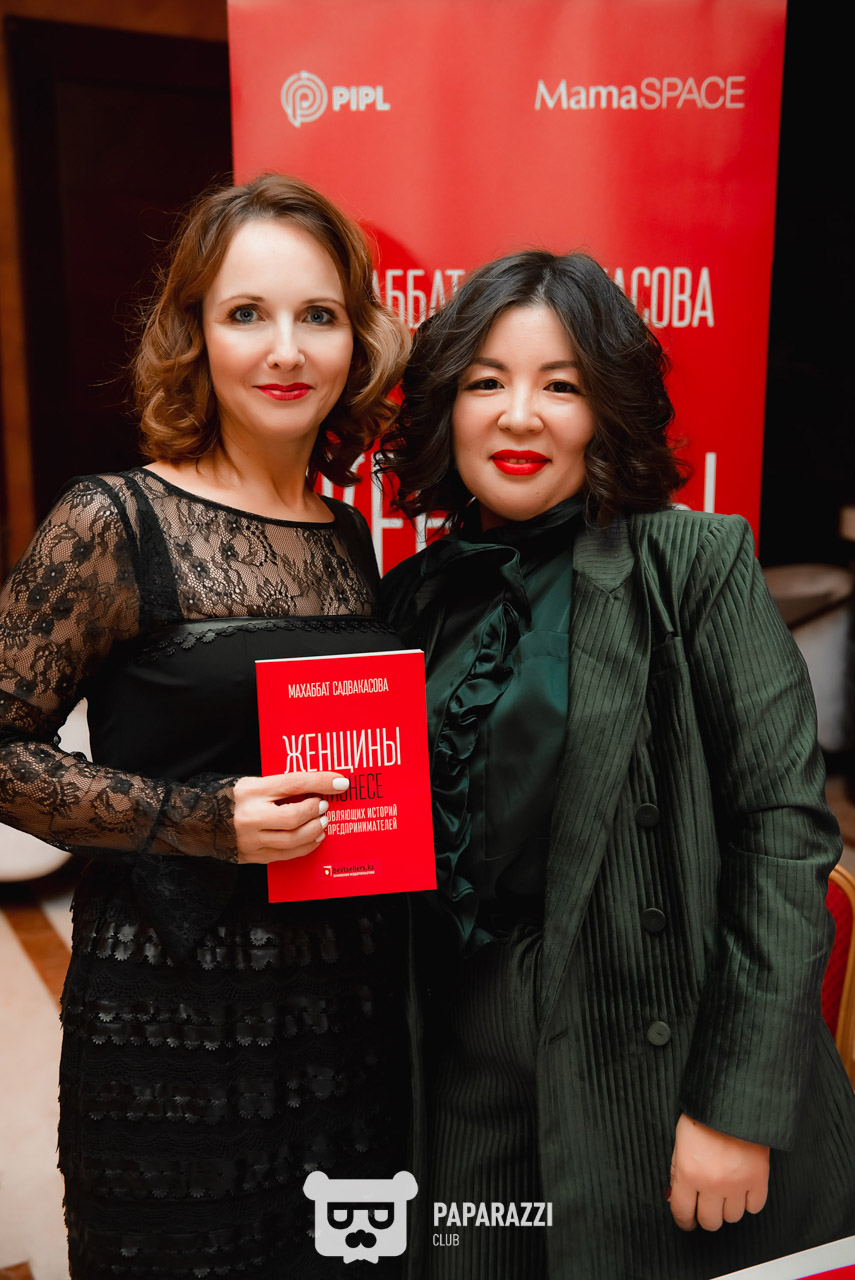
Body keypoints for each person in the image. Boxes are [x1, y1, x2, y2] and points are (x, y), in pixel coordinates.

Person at [379, 250, 855, 1279]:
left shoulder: (694, 563)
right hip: (468, 1066)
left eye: (561, 385)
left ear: (606, 409)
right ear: (447, 404)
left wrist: (736, 1107)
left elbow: (783, 833)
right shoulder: (413, 596)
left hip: (652, 1051)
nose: (519, 416)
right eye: (487, 381)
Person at [0, 174, 412, 1279]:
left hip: (341, 1006)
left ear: (356, 339)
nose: (286, 349)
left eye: (318, 315)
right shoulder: (113, 519)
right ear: (196, 335)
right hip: (173, 1013)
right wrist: (201, 820)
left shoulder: (348, 536)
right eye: (246, 314)